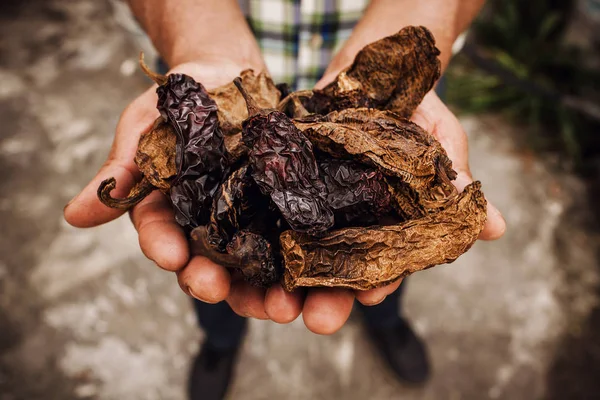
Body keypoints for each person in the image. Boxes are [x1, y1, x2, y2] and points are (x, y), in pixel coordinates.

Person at [64, 1, 507, 399]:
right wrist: (196, 36)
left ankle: (387, 323)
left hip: (372, 96)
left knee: (381, 263)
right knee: (207, 264)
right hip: (224, 71)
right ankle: (219, 344)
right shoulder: (246, 169)